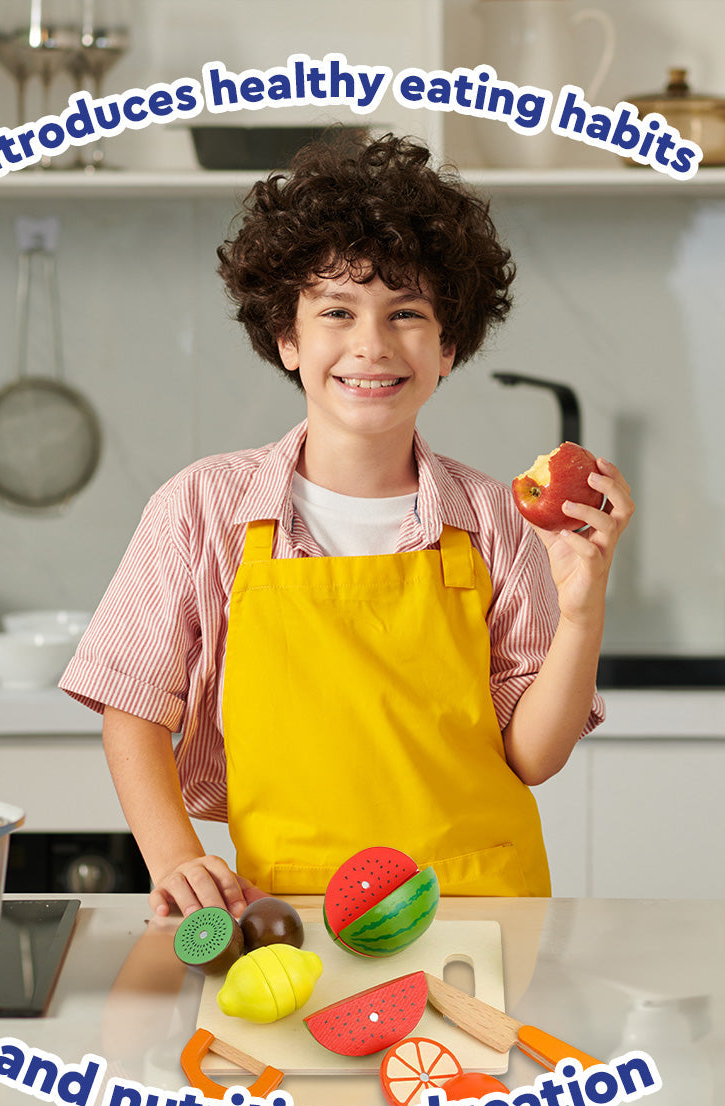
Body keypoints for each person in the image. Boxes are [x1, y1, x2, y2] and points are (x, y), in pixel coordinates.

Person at [59, 132, 634, 918]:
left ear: (449, 347)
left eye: (407, 314)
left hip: (477, 912)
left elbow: (533, 755)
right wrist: (176, 858)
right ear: (287, 338)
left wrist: (581, 607)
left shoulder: (495, 519)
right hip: (289, 907)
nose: (372, 345)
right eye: (337, 310)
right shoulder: (203, 508)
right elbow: (132, 704)